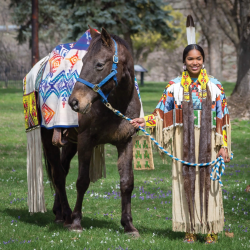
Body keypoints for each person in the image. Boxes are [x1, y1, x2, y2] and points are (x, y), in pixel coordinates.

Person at [130, 43, 231, 244]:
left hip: (209, 140)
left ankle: (211, 228)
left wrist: (224, 146)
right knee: (185, 182)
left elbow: (223, 117)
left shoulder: (215, 86)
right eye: (190, 59)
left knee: (210, 183)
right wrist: (146, 121)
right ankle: (190, 228)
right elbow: (160, 113)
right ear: (184, 61)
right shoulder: (174, 87)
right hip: (182, 141)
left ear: (203, 60)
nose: (195, 62)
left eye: (198, 58)